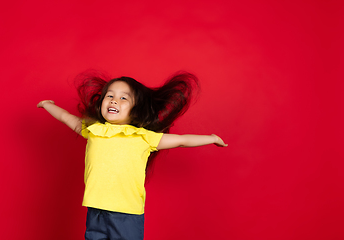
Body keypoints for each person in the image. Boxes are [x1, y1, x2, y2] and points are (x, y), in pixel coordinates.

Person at [37, 71, 227, 240]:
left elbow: (181, 140)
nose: (114, 101)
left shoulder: (143, 137)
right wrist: (47, 105)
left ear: (136, 110)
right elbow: (66, 117)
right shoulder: (94, 130)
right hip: (96, 209)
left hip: (126, 213)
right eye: (109, 96)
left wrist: (210, 138)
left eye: (123, 98)